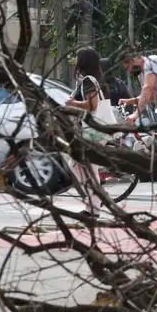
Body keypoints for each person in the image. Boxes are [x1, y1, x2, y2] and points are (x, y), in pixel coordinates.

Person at [66, 47, 110, 218]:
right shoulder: (95, 80)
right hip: (96, 130)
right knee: (85, 167)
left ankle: (94, 205)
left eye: (77, 58)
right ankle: (93, 205)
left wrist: (72, 103)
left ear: (82, 62)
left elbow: (92, 105)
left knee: (80, 166)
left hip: (93, 131)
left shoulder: (88, 82)